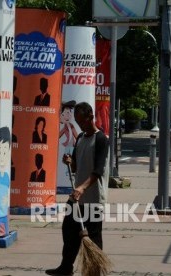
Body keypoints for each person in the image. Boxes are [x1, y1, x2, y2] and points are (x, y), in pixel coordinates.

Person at [45, 102, 109, 276]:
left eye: (83, 121)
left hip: (93, 198)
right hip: (77, 197)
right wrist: (69, 161)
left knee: (93, 236)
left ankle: (94, 271)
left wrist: (82, 187)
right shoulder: (80, 138)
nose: (81, 124)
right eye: (78, 121)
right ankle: (66, 267)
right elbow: (75, 167)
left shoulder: (101, 139)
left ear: (91, 116)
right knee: (69, 230)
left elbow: (98, 170)